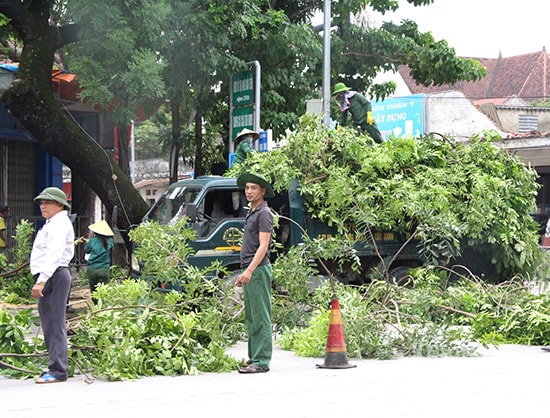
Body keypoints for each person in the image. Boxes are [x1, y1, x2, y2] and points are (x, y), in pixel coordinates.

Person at [30, 187, 74, 384]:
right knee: (49, 324)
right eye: (41, 203)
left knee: (55, 324)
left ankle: (58, 371)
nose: (43, 206)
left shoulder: (59, 224)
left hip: (54, 277)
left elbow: (54, 254)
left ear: (59, 204)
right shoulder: (53, 223)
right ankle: (55, 365)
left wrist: (41, 281)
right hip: (50, 276)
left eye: (47, 202)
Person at [235, 172, 274, 374]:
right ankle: (254, 357)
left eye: (254, 188)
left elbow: (264, 246)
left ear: (262, 191)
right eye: (247, 188)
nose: (249, 192)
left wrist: (249, 270)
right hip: (251, 269)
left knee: (260, 316)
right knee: (251, 317)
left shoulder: (264, 213)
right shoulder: (252, 212)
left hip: (258, 269)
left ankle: (262, 361)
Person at [78, 220, 114, 301]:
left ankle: (96, 307)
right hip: (104, 269)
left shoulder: (92, 241)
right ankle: (103, 307)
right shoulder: (110, 241)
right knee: (104, 291)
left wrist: (88, 242)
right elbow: (110, 250)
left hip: (92, 269)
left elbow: (87, 250)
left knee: (94, 292)